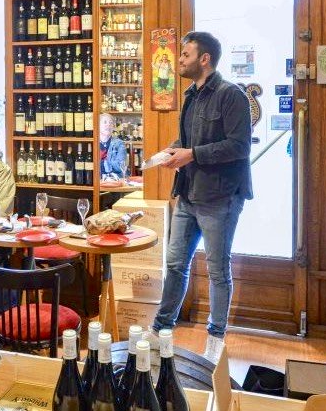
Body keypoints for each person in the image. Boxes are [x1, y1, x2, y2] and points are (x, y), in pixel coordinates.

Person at [148, 31, 253, 364]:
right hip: (187, 195)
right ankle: (160, 328)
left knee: (218, 271)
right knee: (175, 265)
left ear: (204, 58)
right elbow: (187, 139)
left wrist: (191, 154)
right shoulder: (190, 94)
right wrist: (171, 151)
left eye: (185, 54)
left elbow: (239, 146)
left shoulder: (231, 94)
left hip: (220, 197)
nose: (179, 59)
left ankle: (215, 338)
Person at [99, 113, 127, 179]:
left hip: (115, 179)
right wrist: (110, 164)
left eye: (110, 123)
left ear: (113, 127)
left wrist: (101, 164)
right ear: (97, 125)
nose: (108, 125)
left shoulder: (119, 143)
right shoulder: (91, 143)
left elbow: (120, 166)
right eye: (105, 122)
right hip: (94, 179)